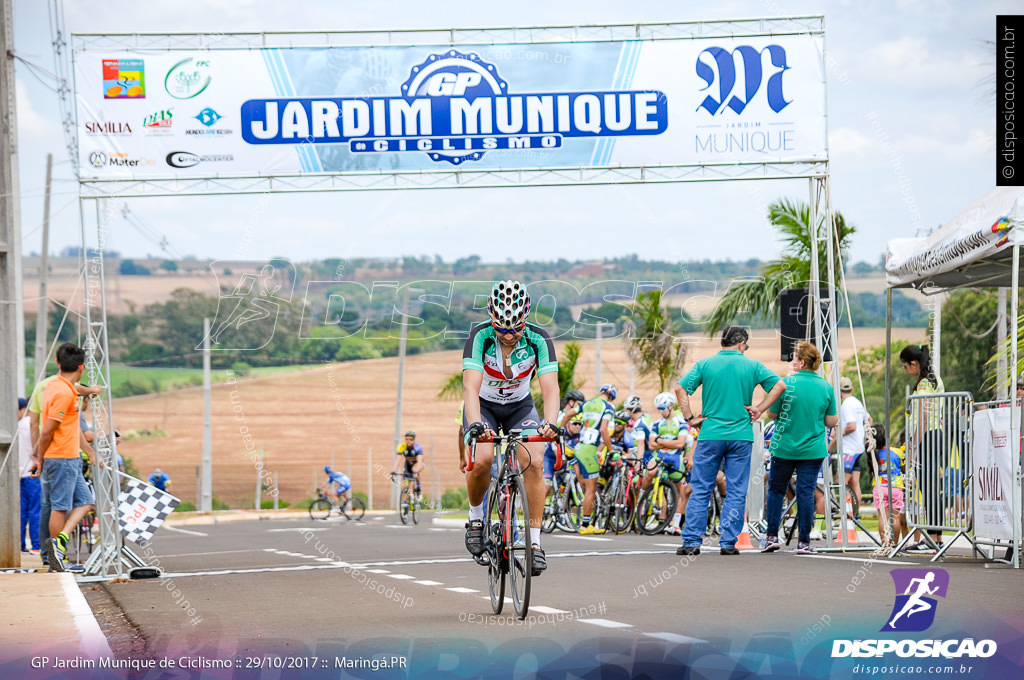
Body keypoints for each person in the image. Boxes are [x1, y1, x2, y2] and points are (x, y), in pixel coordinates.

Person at [461, 280, 560, 575]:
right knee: (482, 461)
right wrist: (477, 424)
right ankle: (476, 517)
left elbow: (551, 389)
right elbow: (470, 386)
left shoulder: (538, 340)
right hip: (485, 406)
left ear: (525, 318)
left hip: (520, 406)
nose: (507, 334)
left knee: (535, 461)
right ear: (492, 318)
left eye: (515, 328)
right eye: (501, 328)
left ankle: (534, 542)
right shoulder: (480, 337)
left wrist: (551, 423)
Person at [675, 326, 786, 556]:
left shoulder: (705, 364)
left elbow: (680, 388)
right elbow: (780, 386)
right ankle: (728, 543)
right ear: (741, 343)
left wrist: (690, 419)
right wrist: (760, 409)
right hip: (740, 436)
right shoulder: (752, 365)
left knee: (701, 488)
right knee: (736, 491)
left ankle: (692, 542)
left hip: (710, 434)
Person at [761, 342, 838, 555]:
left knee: (776, 490)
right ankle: (804, 541)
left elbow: (772, 414)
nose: (791, 360)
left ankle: (771, 537)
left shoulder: (786, 383)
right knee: (806, 493)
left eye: (794, 357)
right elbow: (832, 421)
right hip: (812, 449)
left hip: (784, 446)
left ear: (802, 362)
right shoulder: (826, 387)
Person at [31, 343, 97, 573]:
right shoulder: (63, 393)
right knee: (59, 508)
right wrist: (39, 459)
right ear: (82, 367)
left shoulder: (54, 385)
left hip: (69, 458)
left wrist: (89, 452)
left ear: (58, 364)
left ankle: (58, 543)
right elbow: (48, 430)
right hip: (61, 458)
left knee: (87, 502)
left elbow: (72, 422)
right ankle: (57, 557)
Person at [899, 344, 945, 553]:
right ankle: (935, 537)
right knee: (930, 487)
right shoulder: (933, 378)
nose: (905, 370)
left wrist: (914, 445)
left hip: (928, 436)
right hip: (934, 434)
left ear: (914, 363)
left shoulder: (925, 383)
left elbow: (924, 417)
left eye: (905, 366)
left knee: (929, 488)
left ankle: (933, 539)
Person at [566, 385, 616, 534]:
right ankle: (585, 525)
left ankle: (584, 522)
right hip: (590, 450)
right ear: (611, 396)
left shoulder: (587, 403)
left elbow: (568, 415)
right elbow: (603, 429)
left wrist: (560, 432)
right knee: (591, 489)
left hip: (580, 448)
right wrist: (612, 451)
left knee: (585, 485)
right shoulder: (608, 406)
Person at [646, 392, 692, 536]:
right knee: (655, 478)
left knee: (680, 491)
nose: (660, 411)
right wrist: (669, 443)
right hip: (660, 457)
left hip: (676, 459)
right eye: (658, 408)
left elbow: (680, 444)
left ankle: (677, 524)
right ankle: (660, 518)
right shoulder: (657, 423)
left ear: (671, 406)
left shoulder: (681, 421)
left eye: (663, 408)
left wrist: (660, 441)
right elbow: (651, 446)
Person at [839, 376, 871, 516]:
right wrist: (862, 432)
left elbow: (851, 425)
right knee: (855, 483)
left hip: (849, 450)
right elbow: (869, 419)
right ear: (851, 389)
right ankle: (856, 514)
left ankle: (846, 514)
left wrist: (840, 434)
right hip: (858, 448)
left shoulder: (846, 404)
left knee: (842, 481)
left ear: (839, 391)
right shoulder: (857, 402)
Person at [871, 425, 907, 547]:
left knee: (882, 517)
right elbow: (904, 469)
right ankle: (895, 544)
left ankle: (885, 544)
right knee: (895, 518)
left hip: (880, 487)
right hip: (895, 487)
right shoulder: (898, 452)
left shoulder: (873, 453)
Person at [17, 397, 41, 554]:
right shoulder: (33, 426)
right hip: (32, 473)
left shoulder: (17, 426)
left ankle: (19, 545)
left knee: (21, 511)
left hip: (18, 473)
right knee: (35, 511)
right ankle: (36, 546)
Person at [392, 431, 424, 499]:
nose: (408, 441)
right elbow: (398, 459)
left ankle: (418, 489)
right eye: (407, 439)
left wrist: (416, 472)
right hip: (408, 464)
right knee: (404, 484)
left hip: (418, 463)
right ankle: (405, 503)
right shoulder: (402, 447)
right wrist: (393, 471)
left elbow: (419, 461)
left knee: (414, 471)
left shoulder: (418, 447)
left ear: (414, 440)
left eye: (411, 439)